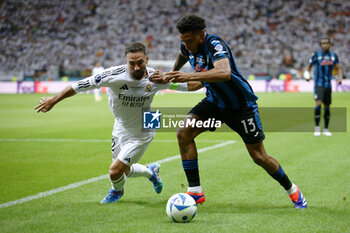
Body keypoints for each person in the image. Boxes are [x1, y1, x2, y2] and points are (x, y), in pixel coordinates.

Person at [151, 15, 307, 208]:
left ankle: (292, 189)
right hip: (214, 104)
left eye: (190, 40)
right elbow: (183, 54)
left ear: (201, 34)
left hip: (241, 107)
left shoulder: (214, 43)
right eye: (183, 41)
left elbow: (224, 73)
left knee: (259, 157)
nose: (187, 45)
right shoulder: (186, 46)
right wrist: (170, 75)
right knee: (184, 132)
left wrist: (187, 76)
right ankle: (195, 191)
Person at [34, 42, 201, 204]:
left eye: (140, 62)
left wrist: (214, 77)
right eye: (132, 63)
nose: (136, 67)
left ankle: (116, 191)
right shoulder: (112, 75)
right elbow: (78, 85)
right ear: (126, 61)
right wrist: (53, 100)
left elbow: (190, 86)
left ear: (147, 60)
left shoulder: (156, 77)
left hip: (144, 128)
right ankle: (151, 172)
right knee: (125, 171)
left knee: (115, 171)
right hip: (120, 127)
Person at [304, 37, 343, 136]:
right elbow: (308, 66)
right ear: (320, 45)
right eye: (323, 43)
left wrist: (340, 78)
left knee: (327, 106)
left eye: (327, 43)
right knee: (318, 103)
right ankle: (317, 128)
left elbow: (338, 68)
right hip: (318, 84)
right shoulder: (316, 55)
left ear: (330, 44)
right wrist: (307, 75)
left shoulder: (334, 56)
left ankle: (326, 129)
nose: (325, 45)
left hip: (328, 85)